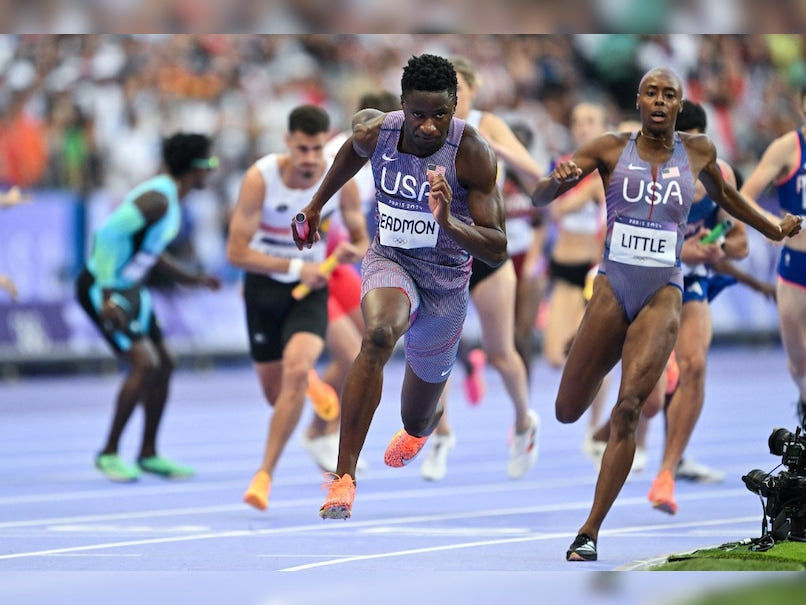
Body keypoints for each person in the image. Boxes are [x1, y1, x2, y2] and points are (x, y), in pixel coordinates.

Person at [531, 67, 802, 562]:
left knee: (630, 408)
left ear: (679, 105)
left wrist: (771, 226)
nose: (659, 101)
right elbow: (539, 198)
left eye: (669, 95)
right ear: (639, 101)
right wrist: (556, 182)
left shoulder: (697, 152)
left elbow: (730, 199)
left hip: (664, 291)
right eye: (651, 93)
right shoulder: (610, 147)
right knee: (567, 409)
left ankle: (589, 530)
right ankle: (608, 357)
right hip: (613, 288)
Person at [293, 53, 507, 520]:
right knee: (378, 336)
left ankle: (419, 429)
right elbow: (352, 149)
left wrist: (447, 220)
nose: (428, 126)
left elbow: (497, 248)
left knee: (418, 415)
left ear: (454, 109)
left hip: (447, 283)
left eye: (440, 115)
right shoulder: (378, 132)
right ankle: (343, 477)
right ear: (402, 106)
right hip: (391, 259)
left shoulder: (472, 153)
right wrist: (314, 207)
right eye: (417, 114)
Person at [226, 105, 368, 511]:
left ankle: (264, 475)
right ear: (288, 142)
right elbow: (235, 252)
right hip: (264, 291)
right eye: (302, 149)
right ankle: (308, 382)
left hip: (312, 293)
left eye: (317, 150)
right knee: (276, 395)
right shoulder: (261, 179)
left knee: (294, 370)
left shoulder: (342, 182)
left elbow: (360, 239)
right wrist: (294, 267)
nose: (309, 159)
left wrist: (347, 252)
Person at [418, 55, 541, 482]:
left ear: (471, 92)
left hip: (486, 253)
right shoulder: (428, 127)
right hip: (444, 255)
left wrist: (492, 144)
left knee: (500, 351)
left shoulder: (488, 123)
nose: (451, 102)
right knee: (438, 351)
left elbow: (533, 171)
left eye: (459, 94)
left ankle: (525, 422)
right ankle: (441, 436)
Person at [75, 132, 222, 482]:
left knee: (165, 363)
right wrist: (109, 293)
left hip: (130, 288)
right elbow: (107, 235)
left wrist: (192, 277)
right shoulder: (157, 198)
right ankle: (109, 452)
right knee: (145, 363)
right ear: (195, 168)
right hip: (104, 287)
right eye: (210, 165)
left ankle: (148, 453)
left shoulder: (171, 198)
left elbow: (150, 251)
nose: (212, 172)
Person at [542, 102, 610, 449]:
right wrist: (584, 189)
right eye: (577, 122)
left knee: (595, 352)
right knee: (555, 355)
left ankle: (595, 429)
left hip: (593, 271)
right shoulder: (565, 166)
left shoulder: (613, 169)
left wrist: (590, 189)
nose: (582, 127)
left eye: (590, 121)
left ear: (602, 125)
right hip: (563, 267)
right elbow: (555, 210)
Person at [739, 86, 806, 431]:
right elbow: (745, 196)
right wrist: (773, 225)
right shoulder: (787, 148)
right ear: (802, 107)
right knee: (798, 364)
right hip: (796, 270)